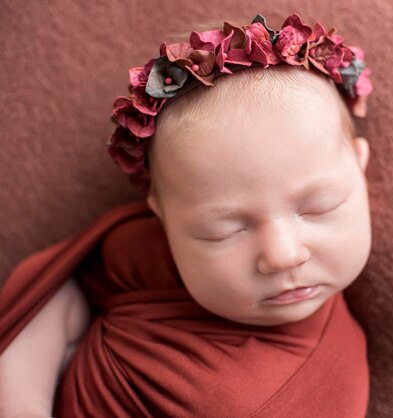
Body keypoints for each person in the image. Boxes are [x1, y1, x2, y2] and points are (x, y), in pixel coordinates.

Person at [0, 13, 373, 417]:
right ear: (164, 218)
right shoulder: (153, 254)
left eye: (319, 207)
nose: (282, 255)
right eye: (225, 230)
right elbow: (56, 297)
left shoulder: (334, 383)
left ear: (359, 166)